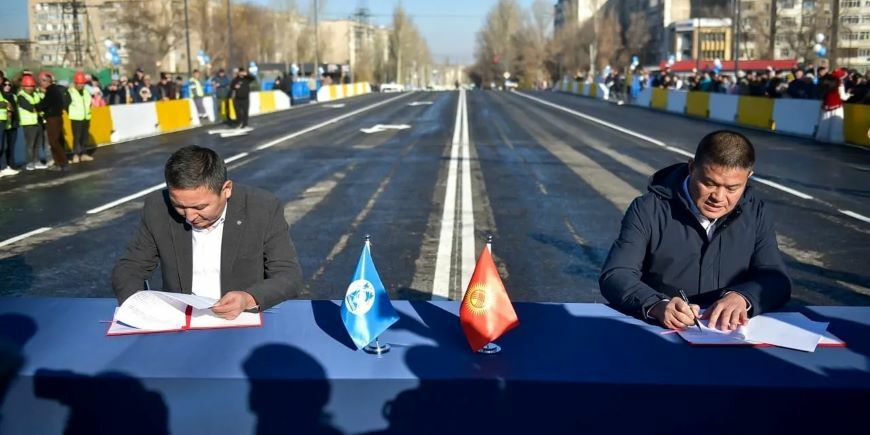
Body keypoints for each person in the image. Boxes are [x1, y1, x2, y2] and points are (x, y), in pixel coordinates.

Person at [599, 130, 791, 331]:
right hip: (662, 332)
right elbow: (616, 274)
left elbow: (776, 279)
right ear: (691, 167)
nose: (718, 197)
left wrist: (743, 297)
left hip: (729, 333)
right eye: (709, 183)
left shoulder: (756, 212)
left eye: (732, 188)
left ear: (748, 177)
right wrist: (656, 304)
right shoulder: (648, 209)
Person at [111, 145, 302, 319]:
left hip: (241, 318)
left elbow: (288, 275)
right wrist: (139, 308)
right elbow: (130, 268)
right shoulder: (157, 207)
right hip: (180, 321)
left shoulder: (262, 208)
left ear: (226, 190)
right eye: (179, 206)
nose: (189, 216)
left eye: (200, 207)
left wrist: (249, 298)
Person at [38, 72, 69, 171]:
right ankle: (59, 162)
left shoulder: (51, 91)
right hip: (57, 117)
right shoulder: (54, 90)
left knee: (54, 142)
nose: (41, 83)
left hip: (53, 118)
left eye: (43, 81)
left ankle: (62, 163)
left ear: (48, 81)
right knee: (57, 141)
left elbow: (45, 103)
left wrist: (37, 106)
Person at [17, 74, 47, 171]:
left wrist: (39, 107)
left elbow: (42, 104)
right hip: (29, 124)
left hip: (38, 122)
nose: (30, 88)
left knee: (38, 144)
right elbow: (31, 108)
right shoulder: (21, 96)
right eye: (28, 86)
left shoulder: (35, 94)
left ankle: (37, 161)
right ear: (23, 86)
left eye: (32, 86)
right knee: (30, 145)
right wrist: (38, 107)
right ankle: (29, 163)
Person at [815, 68, 850, 143]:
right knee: (836, 123)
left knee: (825, 123)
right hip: (837, 106)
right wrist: (849, 94)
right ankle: (835, 139)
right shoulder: (839, 83)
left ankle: (822, 137)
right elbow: (843, 97)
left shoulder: (825, 81)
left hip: (826, 105)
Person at [67, 71, 93, 163]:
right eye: (79, 83)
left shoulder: (86, 92)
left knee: (84, 137)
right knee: (77, 138)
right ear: (75, 83)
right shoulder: (70, 92)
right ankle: (76, 155)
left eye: (82, 83)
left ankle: (84, 154)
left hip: (86, 117)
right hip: (76, 119)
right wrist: (72, 113)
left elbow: (89, 103)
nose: (81, 85)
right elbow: (66, 105)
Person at [0, 79, 19, 177]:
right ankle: (4, 166)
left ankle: (7, 165)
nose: (7, 86)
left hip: (10, 123)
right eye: (5, 84)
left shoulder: (13, 96)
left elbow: (15, 109)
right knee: (2, 146)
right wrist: (6, 105)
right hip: (4, 122)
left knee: (7, 146)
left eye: (9, 84)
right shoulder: (3, 94)